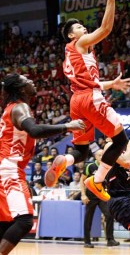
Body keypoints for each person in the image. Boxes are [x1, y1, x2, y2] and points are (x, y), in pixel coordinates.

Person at [45, 0, 130, 201]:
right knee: (120, 140)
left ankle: (66, 160)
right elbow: (106, 28)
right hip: (91, 99)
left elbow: (87, 84)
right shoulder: (80, 44)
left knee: (82, 150)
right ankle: (97, 180)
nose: (83, 28)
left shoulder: (74, 53)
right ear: (72, 35)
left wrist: (110, 84)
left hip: (77, 101)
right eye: (78, 27)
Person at [0, 73, 85, 255]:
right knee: (24, 221)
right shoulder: (19, 107)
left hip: (7, 168)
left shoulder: (10, 109)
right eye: (27, 80)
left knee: (6, 222)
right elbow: (36, 130)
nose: (32, 81)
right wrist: (68, 126)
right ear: (22, 89)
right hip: (9, 170)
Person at [80, 149, 120, 248]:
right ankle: (87, 241)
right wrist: (83, 195)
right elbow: (82, 180)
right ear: (95, 156)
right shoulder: (90, 166)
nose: (102, 157)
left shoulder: (107, 166)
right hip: (91, 195)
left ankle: (110, 239)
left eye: (103, 155)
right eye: (99, 155)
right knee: (88, 218)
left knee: (109, 214)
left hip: (102, 195)